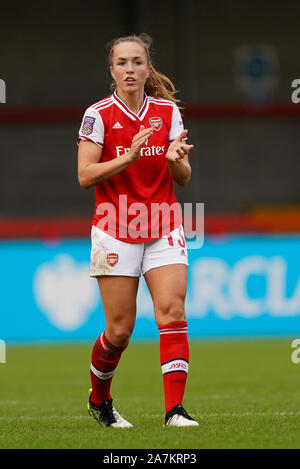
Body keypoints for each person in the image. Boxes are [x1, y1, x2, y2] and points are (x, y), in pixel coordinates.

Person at [77, 33, 198, 428]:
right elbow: (84, 175)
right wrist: (128, 157)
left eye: (137, 62)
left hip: (163, 224)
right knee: (119, 330)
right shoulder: (98, 115)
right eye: (122, 63)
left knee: (172, 311)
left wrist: (174, 159)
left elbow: (183, 177)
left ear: (148, 68)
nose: (130, 69)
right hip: (113, 228)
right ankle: (100, 401)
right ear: (111, 71)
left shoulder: (167, 112)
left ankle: (174, 411)